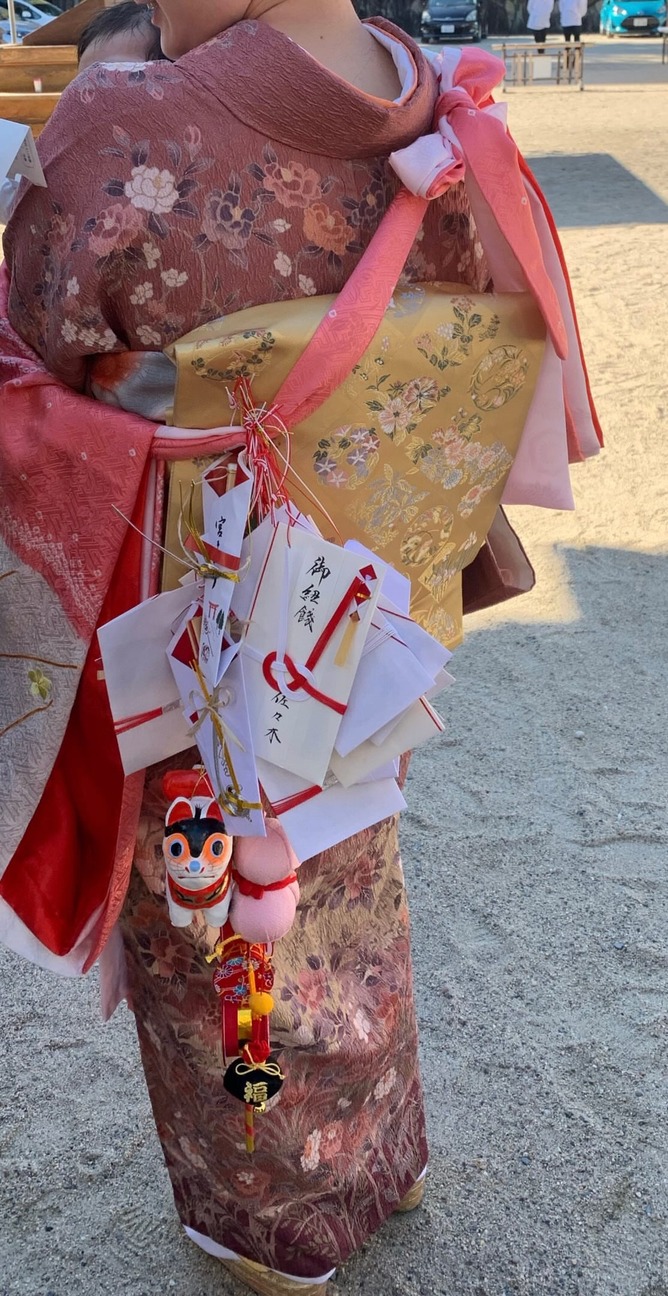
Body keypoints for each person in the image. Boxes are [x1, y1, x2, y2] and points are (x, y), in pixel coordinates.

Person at [0, 3, 602, 1294]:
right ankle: (379, 1156)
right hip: (359, 592)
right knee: (345, 868)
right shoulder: (430, 99)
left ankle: (272, 1221)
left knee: (210, 907)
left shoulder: (126, 121)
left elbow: (41, 336)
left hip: (194, 602)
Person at [0, 2, 163, 224]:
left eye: (112, 80)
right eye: (79, 86)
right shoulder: (71, 157)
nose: (88, 98)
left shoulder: (162, 177)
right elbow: (25, 202)